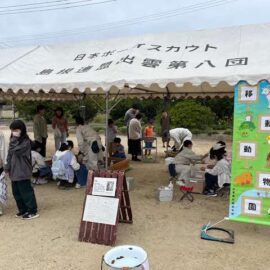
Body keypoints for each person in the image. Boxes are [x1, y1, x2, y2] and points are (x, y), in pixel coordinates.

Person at [5, 120, 39, 220]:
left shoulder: (26, 142)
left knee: (26, 191)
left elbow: (18, 151)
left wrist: (14, 140)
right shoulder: (13, 141)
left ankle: (32, 211)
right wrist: (7, 167)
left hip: (23, 170)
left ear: (21, 129)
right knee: (16, 192)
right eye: (12, 130)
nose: (13, 132)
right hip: (14, 170)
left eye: (16, 130)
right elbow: (10, 154)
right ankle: (23, 209)